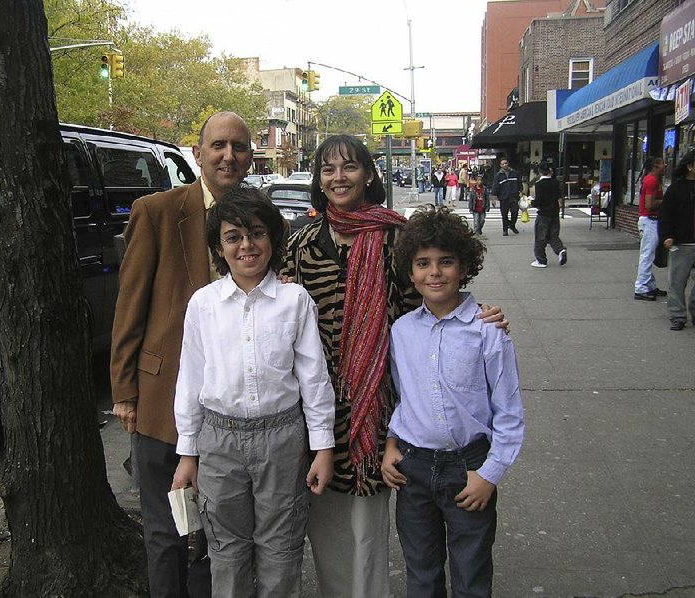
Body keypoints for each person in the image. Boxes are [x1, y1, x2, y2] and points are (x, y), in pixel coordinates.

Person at [282, 134, 508, 598]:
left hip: (382, 399)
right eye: (328, 169)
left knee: (370, 518)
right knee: (323, 512)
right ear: (318, 180)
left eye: (349, 167)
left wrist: (479, 315)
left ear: (369, 174)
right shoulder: (301, 243)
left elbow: (432, 302)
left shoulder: (396, 237)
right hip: (318, 402)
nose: (338, 177)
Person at [110, 111, 253, 598]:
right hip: (160, 402)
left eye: (238, 146)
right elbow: (131, 303)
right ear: (198, 154)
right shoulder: (158, 211)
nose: (228, 155)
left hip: (231, 412)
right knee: (165, 531)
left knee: (216, 534)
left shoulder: (259, 223)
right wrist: (124, 390)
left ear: (250, 156)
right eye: (218, 145)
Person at [171, 188, 335, 596]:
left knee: (281, 549)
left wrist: (323, 448)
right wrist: (187, 455)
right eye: (233, 237)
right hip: (219, 442)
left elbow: (314, 379)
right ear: (219, 248)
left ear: (273, 241)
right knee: (226, 552)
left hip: (281, 440)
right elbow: (190, 380)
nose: (246, 245)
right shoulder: (203, 305)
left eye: (257, 233)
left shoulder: (294, 301)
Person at [383, 208, 524, 597]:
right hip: (414, 470)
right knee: (422, 574)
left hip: (469, 469)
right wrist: (391, 445)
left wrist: (489, 474)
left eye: (446, 262)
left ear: (464, 266)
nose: (435, 272)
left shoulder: (488, 331)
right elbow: (404, 398)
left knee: (471, 574)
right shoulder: (402, 331)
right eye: (423, 263)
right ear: (410, 274)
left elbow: (509, 414)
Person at [659, 151, 695, 331]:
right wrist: (667, 235)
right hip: (682, 242)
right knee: (677, 282)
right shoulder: (676, 189)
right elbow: (666, 214)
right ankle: (677, 316)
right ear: (690, 166)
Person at [634, 156, 667, 301]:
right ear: (655, 166)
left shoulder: (650, 180)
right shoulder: (652, 181)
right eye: (662, 164)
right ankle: (641, 287)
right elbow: (650, 205)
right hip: (650, 220)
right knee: (647, 255)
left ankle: (649, 285)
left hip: (650, 221)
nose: (664, 166)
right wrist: (666, 200)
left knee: (649, 254)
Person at [530, 161, 568, 268]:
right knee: (553, 235)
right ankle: (560, 250)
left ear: (540, 171)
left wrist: (531, 202)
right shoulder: (555, 182)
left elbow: (539, 201)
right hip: (554, 213)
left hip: (543, 214)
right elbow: (558, 196)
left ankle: (541, 260)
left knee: (540, 237)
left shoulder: (539, 184)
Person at [493, 156, 521, 236]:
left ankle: (512, 225)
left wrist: (521, 192)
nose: (505, 165)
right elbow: (495, 187)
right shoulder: (498, 176)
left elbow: (519, 183)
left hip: (514, 196)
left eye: (506, 163)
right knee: (504, 215)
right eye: (503, 164)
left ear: (508, 163)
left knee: (515, 212)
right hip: (503, 197)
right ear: (500, 165)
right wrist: (494, 199)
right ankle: (505, 230)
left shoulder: (514, 173)